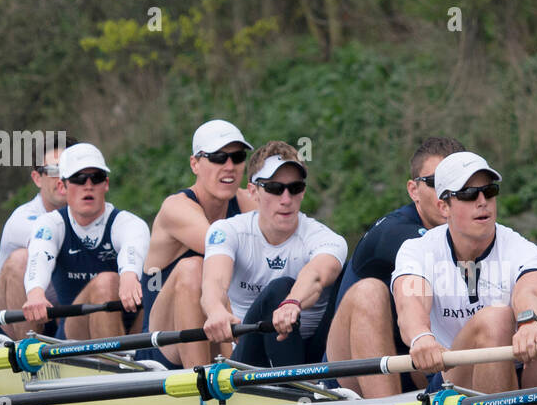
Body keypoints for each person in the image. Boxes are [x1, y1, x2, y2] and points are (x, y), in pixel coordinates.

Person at [392, 151, 537, 395]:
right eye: (469, 194)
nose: (482, 201)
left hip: (521, 368)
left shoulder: (520, 248)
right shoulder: (417, 250)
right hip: (451, 378)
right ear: (443, 206)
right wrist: (421, 337)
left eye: (489, 191)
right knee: (496, 318)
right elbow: (410, 302)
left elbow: (532, 288)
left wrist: (528, 320)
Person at [324, 136, 465, 397]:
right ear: (413, 190)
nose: (448, 194)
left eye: (459, 184)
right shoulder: (395, 232)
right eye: (436, 183)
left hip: (417, 364)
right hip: (350, 372)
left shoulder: (484, 237)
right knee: (370, 291)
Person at [201, 141, 347, 367]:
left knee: (347, 275)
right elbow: (214, 281)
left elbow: (317, 275)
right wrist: (216, 311)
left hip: (315, 353)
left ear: (303, 191)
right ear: (253, 192)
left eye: (295, 188)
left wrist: (292, 302)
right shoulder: (227, 231)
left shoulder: (325, 238)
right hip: (253, 357)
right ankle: (293, 389)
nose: (286, 199)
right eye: (275, 189)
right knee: (278, 290)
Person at [137, 119, 255, 368]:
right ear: (195, 164)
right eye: (218, 158)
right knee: (194, 267)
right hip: (162, 345)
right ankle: (199, 380)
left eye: (237, 157)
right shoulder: (176, 208)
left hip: (220, 328)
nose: (230, 166)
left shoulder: (245, 201)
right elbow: (220, 246)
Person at [22, 142, 150, 339]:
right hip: (74, 330)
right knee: (105, 282)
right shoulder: (50, 224)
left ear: (106, 184)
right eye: (79, 179)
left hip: (133, 328)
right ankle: (116, 362)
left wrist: (129, 275)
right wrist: (35, 293)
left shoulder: (129, 223)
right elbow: (39, 257)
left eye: (96, 178)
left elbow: (133, 248)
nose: (88, 185)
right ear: (62, 186)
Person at [0, 135, 75, 339]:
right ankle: (27, 350)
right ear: (37, 178)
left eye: (69, 170)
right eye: (54, 171)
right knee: (21, 258)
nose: (62, 179)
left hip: (59, 318)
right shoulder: (22, 219)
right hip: (8, 326)